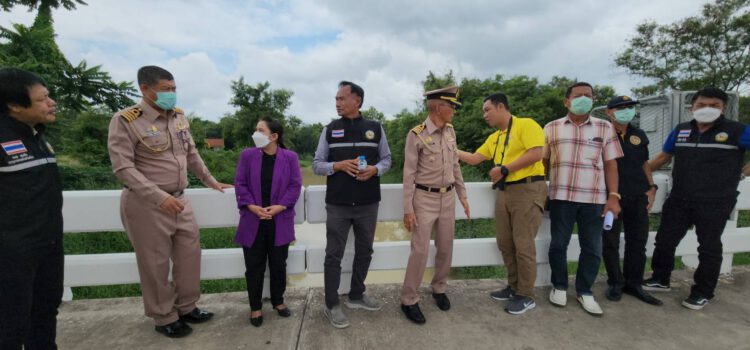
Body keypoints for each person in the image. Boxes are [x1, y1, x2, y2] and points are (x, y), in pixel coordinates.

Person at [107, 65, 233, 338]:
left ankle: (187, 307)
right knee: (155, 264)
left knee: (190, 255)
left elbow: (191, 154)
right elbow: (123, 168)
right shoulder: (126, 120)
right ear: (145, 89)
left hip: (180, 200)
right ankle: (164, 316)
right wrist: (158, 197)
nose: (172, 95)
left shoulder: (178, 117)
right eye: (166, 90)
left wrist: (210, 180)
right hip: (147, 203)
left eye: (174, 89)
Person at [643, 87, 750, 310]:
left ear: (724, 108)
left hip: (716, 201)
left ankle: (703, 291)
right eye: (701, 105)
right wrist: (638, 173)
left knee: (708, 247)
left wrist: (742, 173)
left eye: (714, 105)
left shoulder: (737, 130)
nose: (707, 109)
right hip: (680, 197)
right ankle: (660, 279)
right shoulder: (682, 130)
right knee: (665, 241)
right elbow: (664, 156)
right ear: (692, 107)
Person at [457, 92, 546, 315]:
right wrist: (449, 148)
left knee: (523, 244)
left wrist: (505, 169)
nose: (484, 114)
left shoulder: (526, 124)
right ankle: (513, 287)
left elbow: (537, 153)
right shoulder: (495, 137)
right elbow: (476, 158)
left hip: (527, 189)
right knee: (505, 242)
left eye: (487, 110)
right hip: (505, 191)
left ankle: (526, 295)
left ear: (500, 107)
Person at [312, 81, 392, 329]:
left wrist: (375, 170)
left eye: (341, 98)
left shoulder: (375, 128)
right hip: (338, 204)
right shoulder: (329, 130)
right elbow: (317, 164)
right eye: (335, 99)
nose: (337, 103)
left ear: (356, 100)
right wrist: (337, 166)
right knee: (333, 255)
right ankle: (331, 304)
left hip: (368, 204)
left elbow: (387, 160)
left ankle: (357, 295)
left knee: (365, 251)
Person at [543, 82, 623, 316]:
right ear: (566, 101)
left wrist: (614, 197)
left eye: (588, 96)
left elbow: (611, 164)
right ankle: (558, 285)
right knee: (558, 245)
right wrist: (542, 191)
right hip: (560, 196)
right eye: (578, 96)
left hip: (594, 198)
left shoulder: (605, 127)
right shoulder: (551, 128)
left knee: (592, 248)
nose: (584, 99)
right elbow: (544, 163)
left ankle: (584, 290)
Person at [0, 68, 63, 349]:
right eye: (42, 99)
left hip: (48, 245)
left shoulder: (37, 137)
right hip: (11, 254)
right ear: (14, 105)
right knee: (11, 324)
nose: (51, 103)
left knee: (45, 312)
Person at [401, 86, 470, 324]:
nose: (454, 111)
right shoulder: (417, 134)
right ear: (438, 107)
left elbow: (455, 165)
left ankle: (439, 288)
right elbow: (408, 174)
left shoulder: (450, 131)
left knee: (445, 246)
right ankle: (409, 299)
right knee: (419, 250)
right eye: (451, 106)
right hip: (424, 199)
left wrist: (462, 194)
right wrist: (408, 209)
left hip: (448, 197)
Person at [234, 117, 302, 327]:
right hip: (253, 220)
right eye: (256, 129)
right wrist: (252, 207)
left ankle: (278, 301)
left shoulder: (290, 157)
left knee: (278, 265)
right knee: (253, 267)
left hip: (279, 219)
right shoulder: (247, 156)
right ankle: (255, 307)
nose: (256, 133)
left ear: (274, 136)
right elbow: (240, 183)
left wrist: (280, 206)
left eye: (260, 130)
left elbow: (295, 185)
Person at [601, 96, 662, 306]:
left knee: (638, 242)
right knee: (610, 241)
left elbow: (644, 163)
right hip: (610, 197)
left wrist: (651, 187)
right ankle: (615, 282)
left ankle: (634, 283)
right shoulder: (602, 133)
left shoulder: (639, 134)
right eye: (620, 108)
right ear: (609, 112)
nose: (626, 111)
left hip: (638, 196)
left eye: (629, 107)